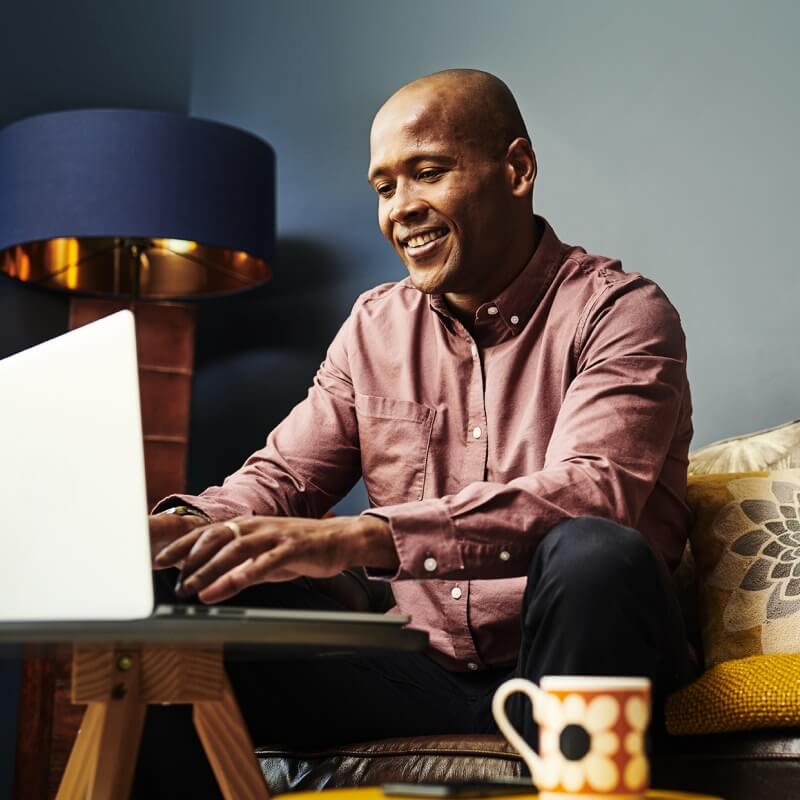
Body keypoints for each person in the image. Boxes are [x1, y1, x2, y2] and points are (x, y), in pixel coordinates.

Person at [135, 69, 696, 796]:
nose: (401, 210)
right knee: (188, 597)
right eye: (384, 187)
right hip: (420, 677)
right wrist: (176, 530)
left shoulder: (623, 312)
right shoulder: (374, 327)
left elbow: (592, 494)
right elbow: (283, 480)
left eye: (426, 173)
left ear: (517, 169)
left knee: (593, 551)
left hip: (586, 672)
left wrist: (360, 536)